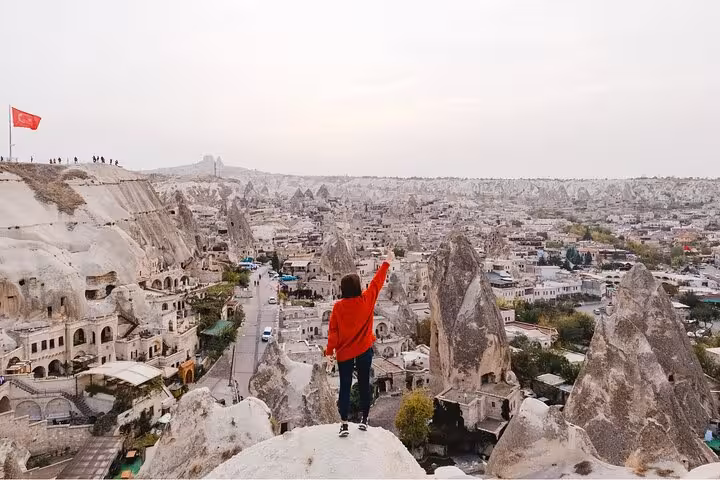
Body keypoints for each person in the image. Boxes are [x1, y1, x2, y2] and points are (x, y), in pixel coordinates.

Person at [325, 249, 394, 437]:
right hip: (364, 350)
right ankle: (364, 419)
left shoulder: (338, 307)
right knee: (364, 383)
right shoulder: (366, 300)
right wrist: (386, 262)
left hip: (345, 353)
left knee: (345, 386)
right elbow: (377, 283)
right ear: (357, 287)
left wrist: (329, 352)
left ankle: (344, 424)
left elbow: (333, 332)